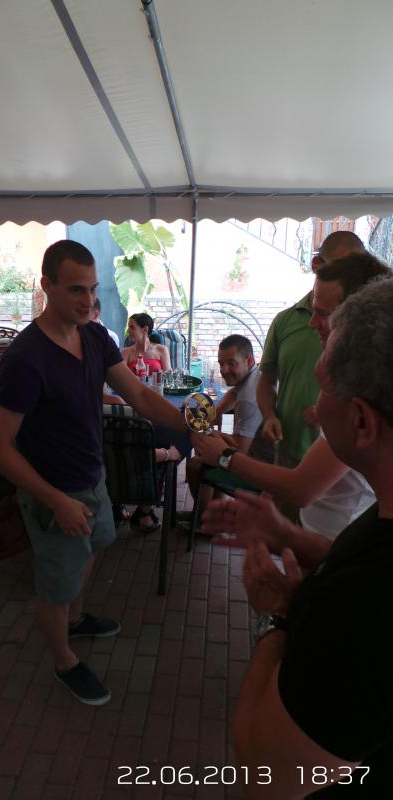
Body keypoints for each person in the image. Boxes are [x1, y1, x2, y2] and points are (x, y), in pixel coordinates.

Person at [201, 275, 393, 798]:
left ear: (361, 421)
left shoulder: (357, 613)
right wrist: (289, 535)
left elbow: (264, 773)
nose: (313, 404)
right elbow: (362, 558)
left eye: (323, 386)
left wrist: (275, 615)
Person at [0, 239, 187, 707]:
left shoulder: (93, 336)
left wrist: (192, 422)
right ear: (47, 286)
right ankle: (64, 660)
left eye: (93, 289)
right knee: (55, 585)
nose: (89, 300)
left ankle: (75, 621)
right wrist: (56, 501)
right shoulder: (25, 358)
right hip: (53, 493)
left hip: (92, 479)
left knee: (95, 544)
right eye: (76, 289)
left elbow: (140, 395)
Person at [192, 252, 389, 539]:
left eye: (323, 314)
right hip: (317, 524)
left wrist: (225, 457)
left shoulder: (363, 392)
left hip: (338, 541)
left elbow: (303, 488)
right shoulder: (352, 382)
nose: (312, 323)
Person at [256, 232, 365, 486]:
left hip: (342, 467)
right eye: (341, 270)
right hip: (288, 451)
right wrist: (269, 415)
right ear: (317, 265)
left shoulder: (367, 328)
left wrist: (333, 412)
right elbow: (266, 380)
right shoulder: (284, 321)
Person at [186, 334, 263, 519]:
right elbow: (233, 394)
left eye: (231, 363)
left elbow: (237, 453)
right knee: (209, 451)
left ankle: (204, 521)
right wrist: (214, 416)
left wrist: (208, 434)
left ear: (248, 360)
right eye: (221, 364)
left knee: (195, 465)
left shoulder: (248, 399)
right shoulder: (256, 374)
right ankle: (215, 514)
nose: (224, 370)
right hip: (265, 455)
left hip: (262, 467)